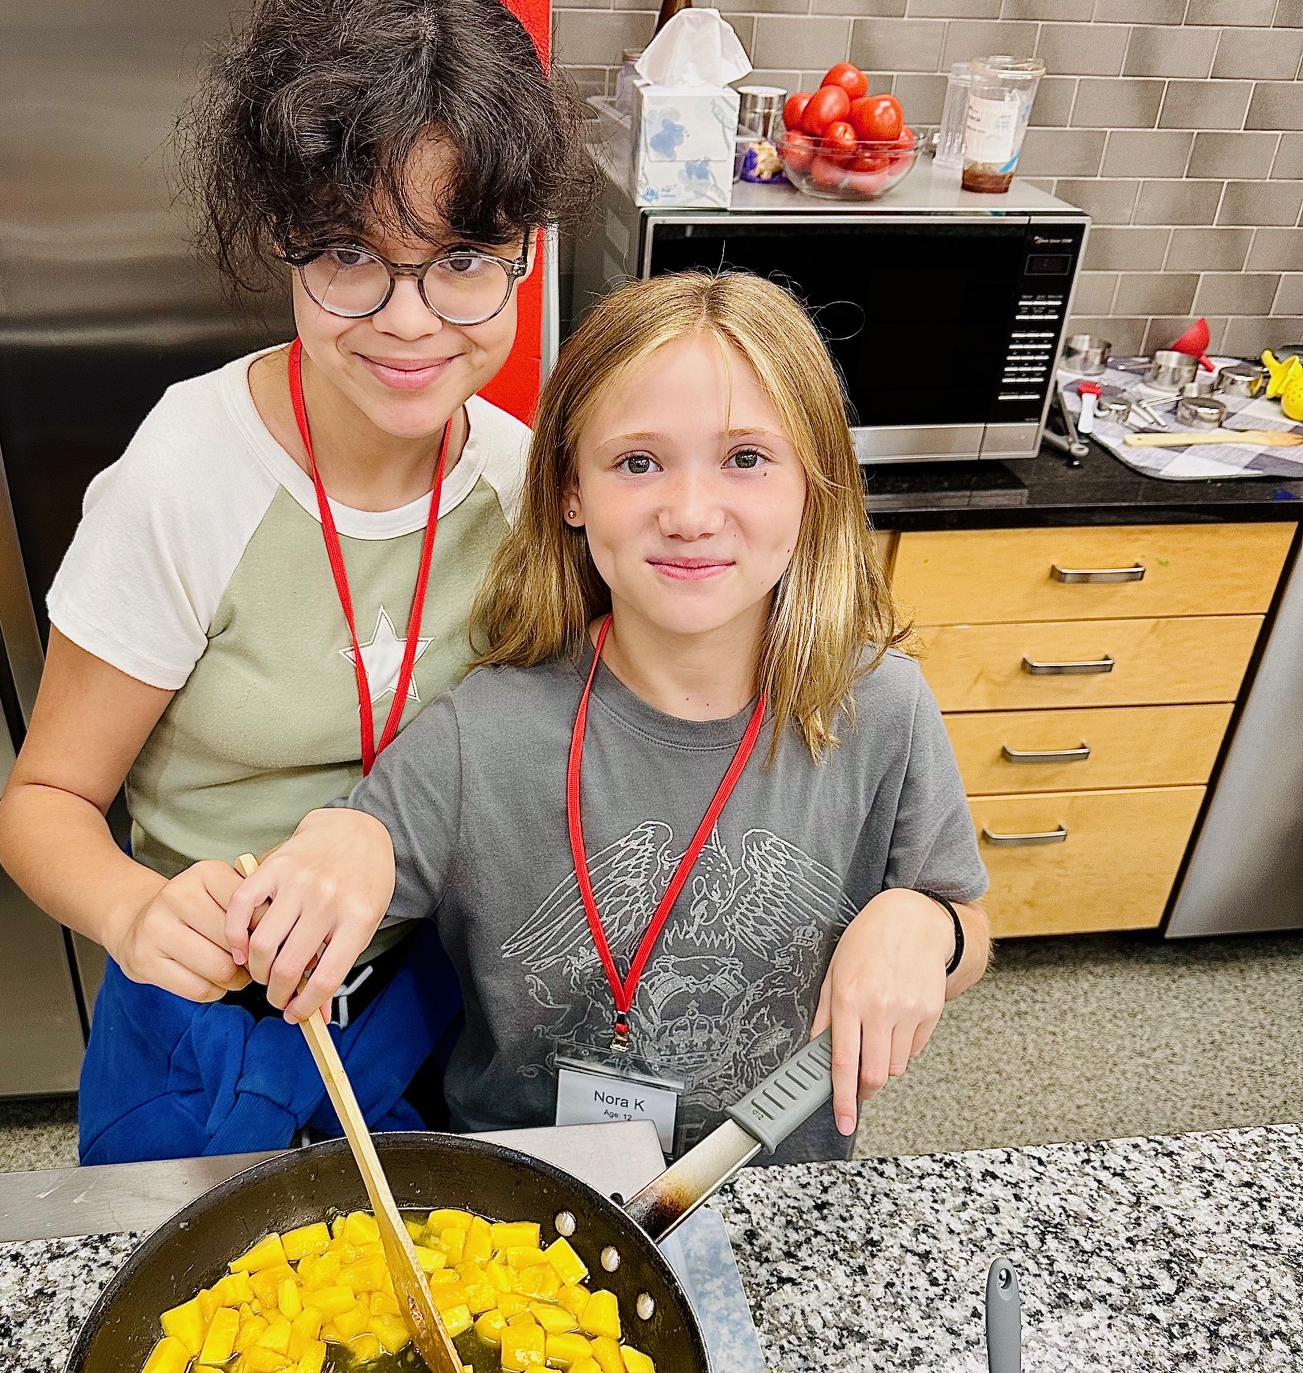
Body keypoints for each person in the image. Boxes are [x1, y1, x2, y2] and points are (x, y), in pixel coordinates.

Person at [0, 0, 592, 1163]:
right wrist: (137, 907)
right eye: (349, 256)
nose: (410, 321)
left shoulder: (529, 488)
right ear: (283, 241)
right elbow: (42, 806)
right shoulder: (184, 479)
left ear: (525, 251)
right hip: (203, 1020)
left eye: (465, 262)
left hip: (426, 997)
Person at [224, 271, 990, 1157]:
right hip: (518, 1199)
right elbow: (336, 878)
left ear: (812, 485)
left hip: (776, 1184)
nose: (692, 514)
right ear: (570, 493)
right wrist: (334, 840)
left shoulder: (881, 704)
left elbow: (966, 925)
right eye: (637, 462)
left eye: (746, 459)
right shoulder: (486, 731)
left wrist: (927, 926)